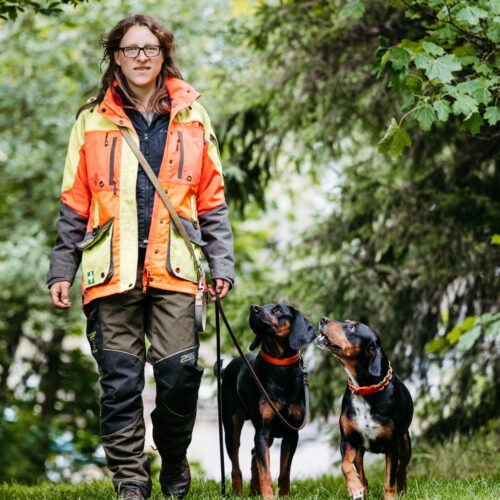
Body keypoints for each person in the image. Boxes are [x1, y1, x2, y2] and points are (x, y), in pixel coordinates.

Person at [47, 14, 234, 500]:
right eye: (130, 49)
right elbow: (74, 201)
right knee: (120, 383)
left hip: (175, 269)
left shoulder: (194, 114)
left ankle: (173, 461)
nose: (141, 57)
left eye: (149, 48)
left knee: (177, 377)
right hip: (111, 269)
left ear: (163, 53)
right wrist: (62, 268)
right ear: (115, 56)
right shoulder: (91, 119)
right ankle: (131, 480)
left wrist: (222, 265)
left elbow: (211, 199)